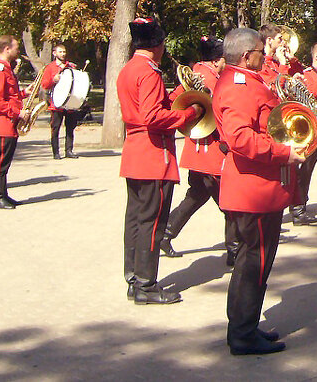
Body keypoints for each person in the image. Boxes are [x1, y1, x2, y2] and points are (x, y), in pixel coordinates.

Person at [213, 27, 305, 356]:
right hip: (255, 188)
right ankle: (241, 333)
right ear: (245, 55)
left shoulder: (244, 81)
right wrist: (283, 152)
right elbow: (240, 139)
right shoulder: (238, 86)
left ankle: (245, 325)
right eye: (257, 50)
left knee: (255, 261)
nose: (261, 53)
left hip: (258, 186)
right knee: (255, 261)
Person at [117, 18, 205, 305]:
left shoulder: (129, 69)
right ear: (157, 45)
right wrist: (189, 114)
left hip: (135, 152)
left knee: (135, 219)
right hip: (154, 154)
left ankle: (134, 278)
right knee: (152, 222)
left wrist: (180, 94)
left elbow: (149, 106)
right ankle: (146, 284)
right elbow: (152, 117)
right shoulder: (149, 72)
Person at [160, 37, 239, 265]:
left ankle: (167, 233)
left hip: (196, 151)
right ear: (216, 61)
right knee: (229, 202)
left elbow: (173, 99)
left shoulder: (196, 74)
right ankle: (234, 250)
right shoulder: (211, 79)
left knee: (196, 196)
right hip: (210, 151)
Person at [290, 40, 317, 225]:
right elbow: (310, 93)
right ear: (316, 56)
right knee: (305, 171)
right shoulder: (306, 75)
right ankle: (299, 207)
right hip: (311, 130)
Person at [0, 36, 25, 209]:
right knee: (0, 162)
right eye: (16, 47)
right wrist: (18, 112)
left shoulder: (6, 69)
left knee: (5, 163)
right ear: (7, 49)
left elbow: (10, 96)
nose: (18, 50)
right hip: (2, 124)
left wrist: (24, 93)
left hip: (8, 124)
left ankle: (3, 194)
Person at [39, 44, 81, 160]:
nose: (63, 54)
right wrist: (53, 80)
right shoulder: (50, 67)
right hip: (56, 103)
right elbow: (45, 85)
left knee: (70, 127)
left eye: (64, 52)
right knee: (55, 128)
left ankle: (69, 150)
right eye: (60, 52)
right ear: (54, 53)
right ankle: (55, 152)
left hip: (69, 102)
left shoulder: (71, 66)